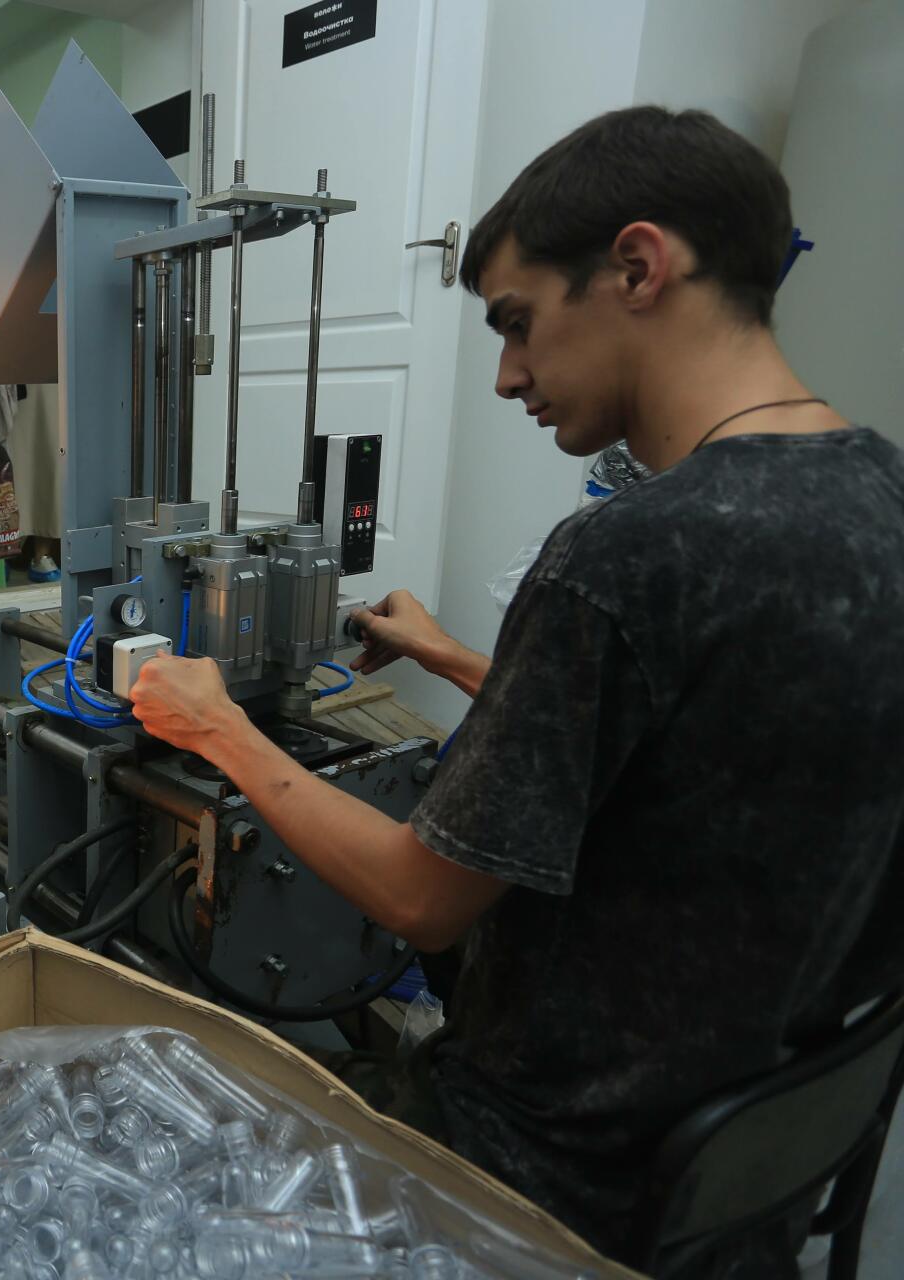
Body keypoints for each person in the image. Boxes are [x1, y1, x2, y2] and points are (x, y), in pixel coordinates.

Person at [127, 105, 904, 1272]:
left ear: (638, 267)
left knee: (162, 1160)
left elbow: (419, 899)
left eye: (517, 322)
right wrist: (455, 658)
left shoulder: (625, 555)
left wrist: (222, 728)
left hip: (540, 1183)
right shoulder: (879, 494)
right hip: (748, 1183)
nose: (505, 376)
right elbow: (703, 737)